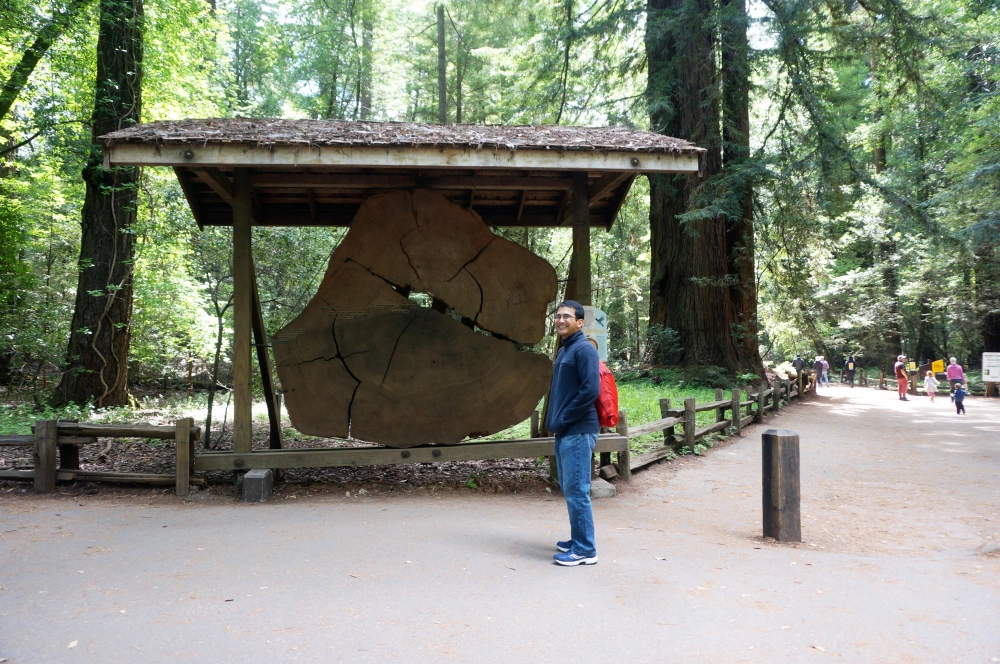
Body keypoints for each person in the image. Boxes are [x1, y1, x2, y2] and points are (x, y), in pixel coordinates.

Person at [546, 300, 600, 566]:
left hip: (578, 429)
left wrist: (564, 418)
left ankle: (585, 550)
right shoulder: (565, 350)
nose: (560, 320)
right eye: (557, 316)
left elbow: (591, 390)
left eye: (566, 316)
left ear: (579, 322)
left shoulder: (583, 349)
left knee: (578, 490)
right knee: (570, 488)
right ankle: (578, 539)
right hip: (565, 430)